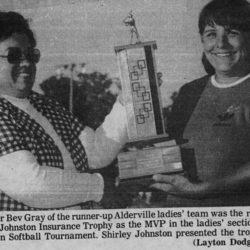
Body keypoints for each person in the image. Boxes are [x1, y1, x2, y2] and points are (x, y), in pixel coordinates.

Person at [0, 11, 130, 211]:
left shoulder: (46, 106)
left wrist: (126, 100)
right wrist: (98, 187)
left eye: (31, 55)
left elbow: (95, 152)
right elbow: (31, 185)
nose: (26, 63)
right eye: (14, 55)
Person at [151, 0, 250, 207]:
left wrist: (202, 190)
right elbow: (171, 151)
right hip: (178, 217)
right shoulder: (190, 91)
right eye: (211, 34)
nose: (221, 44)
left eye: (232, 33)